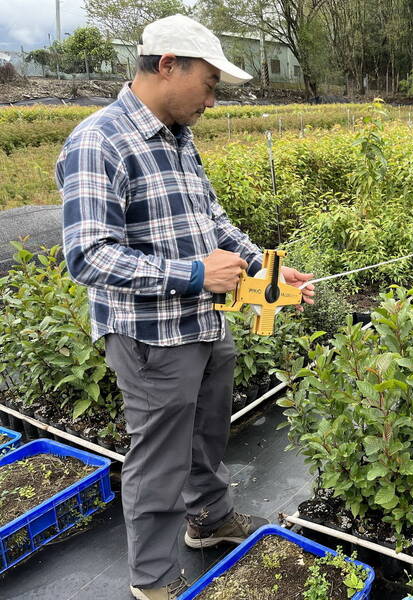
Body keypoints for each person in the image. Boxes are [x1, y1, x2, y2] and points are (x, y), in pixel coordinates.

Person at [56, 14, 315, 600]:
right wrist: (194, 274)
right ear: (168, 65)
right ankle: (153, 580)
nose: (213, 99)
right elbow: (89, 256)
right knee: (157, 457)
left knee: (206, 432)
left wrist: (264, 268)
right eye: (211, 83)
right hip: (151, 336)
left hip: (203, 322)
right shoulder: (99, 141)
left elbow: (211, 221)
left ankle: (209, 520)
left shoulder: (178, 135)